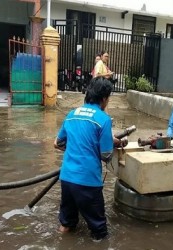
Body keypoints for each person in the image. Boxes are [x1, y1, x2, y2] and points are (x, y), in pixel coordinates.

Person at [54, 77, 120, 242]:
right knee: (99, 232)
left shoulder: (71, 114)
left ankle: (60, 243)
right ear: (104, 98)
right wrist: (111, 144)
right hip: (87, 182)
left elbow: (58, 142)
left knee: (66, 224)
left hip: (67, 178)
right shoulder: (103, 119)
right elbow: (105, 156)